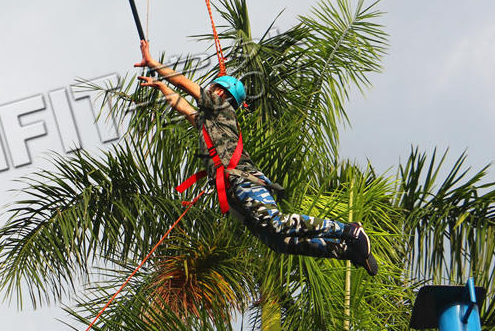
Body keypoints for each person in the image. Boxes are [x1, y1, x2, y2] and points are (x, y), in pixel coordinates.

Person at [136, 40, 378, 275]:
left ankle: (349, 231)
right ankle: (347, 251)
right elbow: (181, 105)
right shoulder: (208, 121)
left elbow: (184, 84)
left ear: (221, 92)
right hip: (233, 192)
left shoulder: (221, 106)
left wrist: (153, 62)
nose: (208, 91)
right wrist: (160, 86)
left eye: (211, 89)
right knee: (279, 242)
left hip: (244, 180)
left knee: (277, 223)